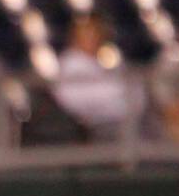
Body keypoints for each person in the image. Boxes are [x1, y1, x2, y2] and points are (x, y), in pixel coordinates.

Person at [51, 13, 143, 141]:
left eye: (95, 33)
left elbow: (136, 89)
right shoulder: (70, 63)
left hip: (131, 120)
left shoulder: (109, 57)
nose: (92, 38)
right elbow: (70, 99)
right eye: (86, 34)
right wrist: (119, 94)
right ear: (75, 37)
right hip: (94, 127)